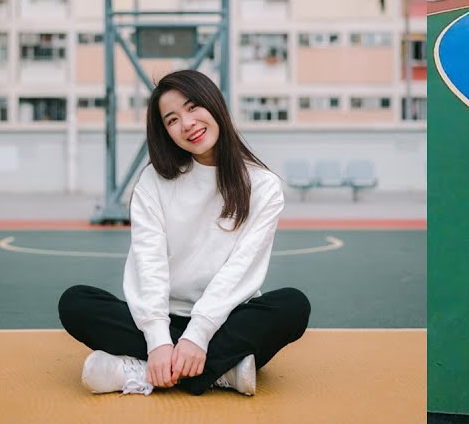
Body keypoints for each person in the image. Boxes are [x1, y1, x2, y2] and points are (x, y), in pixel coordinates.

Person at [58, 69, 310, 397]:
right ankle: (221, 372)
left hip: (225, 321)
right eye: (172, 119)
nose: (187, 123)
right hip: (165, 316)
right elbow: (148, 264)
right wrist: (159, 340)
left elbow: (241, 269)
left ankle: (141, 372)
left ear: (214, 104)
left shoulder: (263, 186)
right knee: (76, 302)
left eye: (192, 108)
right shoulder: (154, 182)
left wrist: (199, 335)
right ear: (165, 132)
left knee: (292, 306)